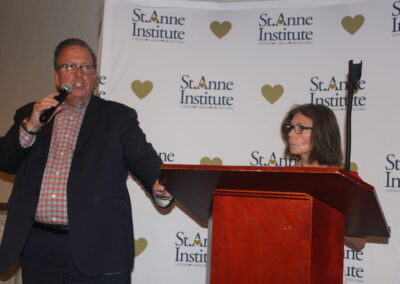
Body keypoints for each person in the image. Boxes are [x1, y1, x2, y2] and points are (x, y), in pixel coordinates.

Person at [0, 38, 172, 283]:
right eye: (69, 67)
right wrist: (31, 126)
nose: (79, 74)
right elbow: (6, 161)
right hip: (36, 246)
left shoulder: (117, 117)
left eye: (87, 67)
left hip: (97, 246)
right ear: (57, 77)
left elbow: (144, 159)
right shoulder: (32, 113)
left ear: (94, 76)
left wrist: (160, 184)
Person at [281, 103, 365, 251]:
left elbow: (359, 243)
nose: (291, 134)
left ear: (322, 133)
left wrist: (328, 217)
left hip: (324, 266)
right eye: (291, 127)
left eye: (300, 128)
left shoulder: (345, 180)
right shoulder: (282, 178)